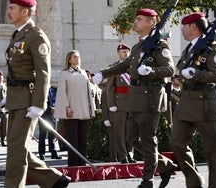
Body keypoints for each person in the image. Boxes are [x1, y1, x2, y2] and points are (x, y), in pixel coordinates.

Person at [93, 8, 176, 188]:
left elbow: (170, 70)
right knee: (131, 139)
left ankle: (147, 181)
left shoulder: (160, 45)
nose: (135, 22)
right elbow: (125, 65)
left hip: (150, 99)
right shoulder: (139, 46)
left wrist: (151, 71)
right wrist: (103, 73)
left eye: (139, 19)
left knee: (147, 140)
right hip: (135, 99)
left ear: (150, 23)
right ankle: (165, 165)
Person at [4, 0, 70, 187]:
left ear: (25, 11)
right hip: (16, 100)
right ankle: (54, 180)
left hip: (28, 101)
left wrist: (38, 104)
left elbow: (43, 73)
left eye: (12, 8)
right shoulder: (18, 35)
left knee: (16, 151)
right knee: (16, 148)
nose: (8, 12)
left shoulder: (36, 36)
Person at [171, 12, 216, 188]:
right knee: (177, 143)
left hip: (205, 103)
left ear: (193, 27)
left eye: (184, 27)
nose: (182, 30)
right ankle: (194, 181)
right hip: (186, 103)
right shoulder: (190, 49)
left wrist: (196, 74)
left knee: (212, 151)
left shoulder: (211, 47)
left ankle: (214, 186)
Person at [54, 50, 95, 167]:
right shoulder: (64, 74)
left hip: (84, 110)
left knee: (83, 140)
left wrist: (90, 108)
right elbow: (62, 92)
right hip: (71, 110)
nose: (77, 59)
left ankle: (82, 165)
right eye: (74, 57)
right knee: (73, 141)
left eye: (78, 57)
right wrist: (66, 107)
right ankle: (73, 165)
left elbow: (88, 93)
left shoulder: (83, 73)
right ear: (69, 60)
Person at [105, 44, 135, 163]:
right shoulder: (114, 68)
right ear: (118, 53)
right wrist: (111, 104)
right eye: (123, 52)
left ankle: (130, 154)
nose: (126, 54)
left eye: (127, 52)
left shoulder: (133, 67)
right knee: (120, 131)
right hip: (119, 103)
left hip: (133, 104)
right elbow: (109, 88)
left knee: (131, 132)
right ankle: (123, 156)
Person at [38, 86, 62, 160]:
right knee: (43, 134)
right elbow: (40, 101)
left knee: (52, 135)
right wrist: (49, 108)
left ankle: (53, 152)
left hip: (51, 115)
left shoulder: (51, 89)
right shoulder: (41, 88)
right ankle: (42, 153)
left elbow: (53, 100)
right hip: (44, 114)